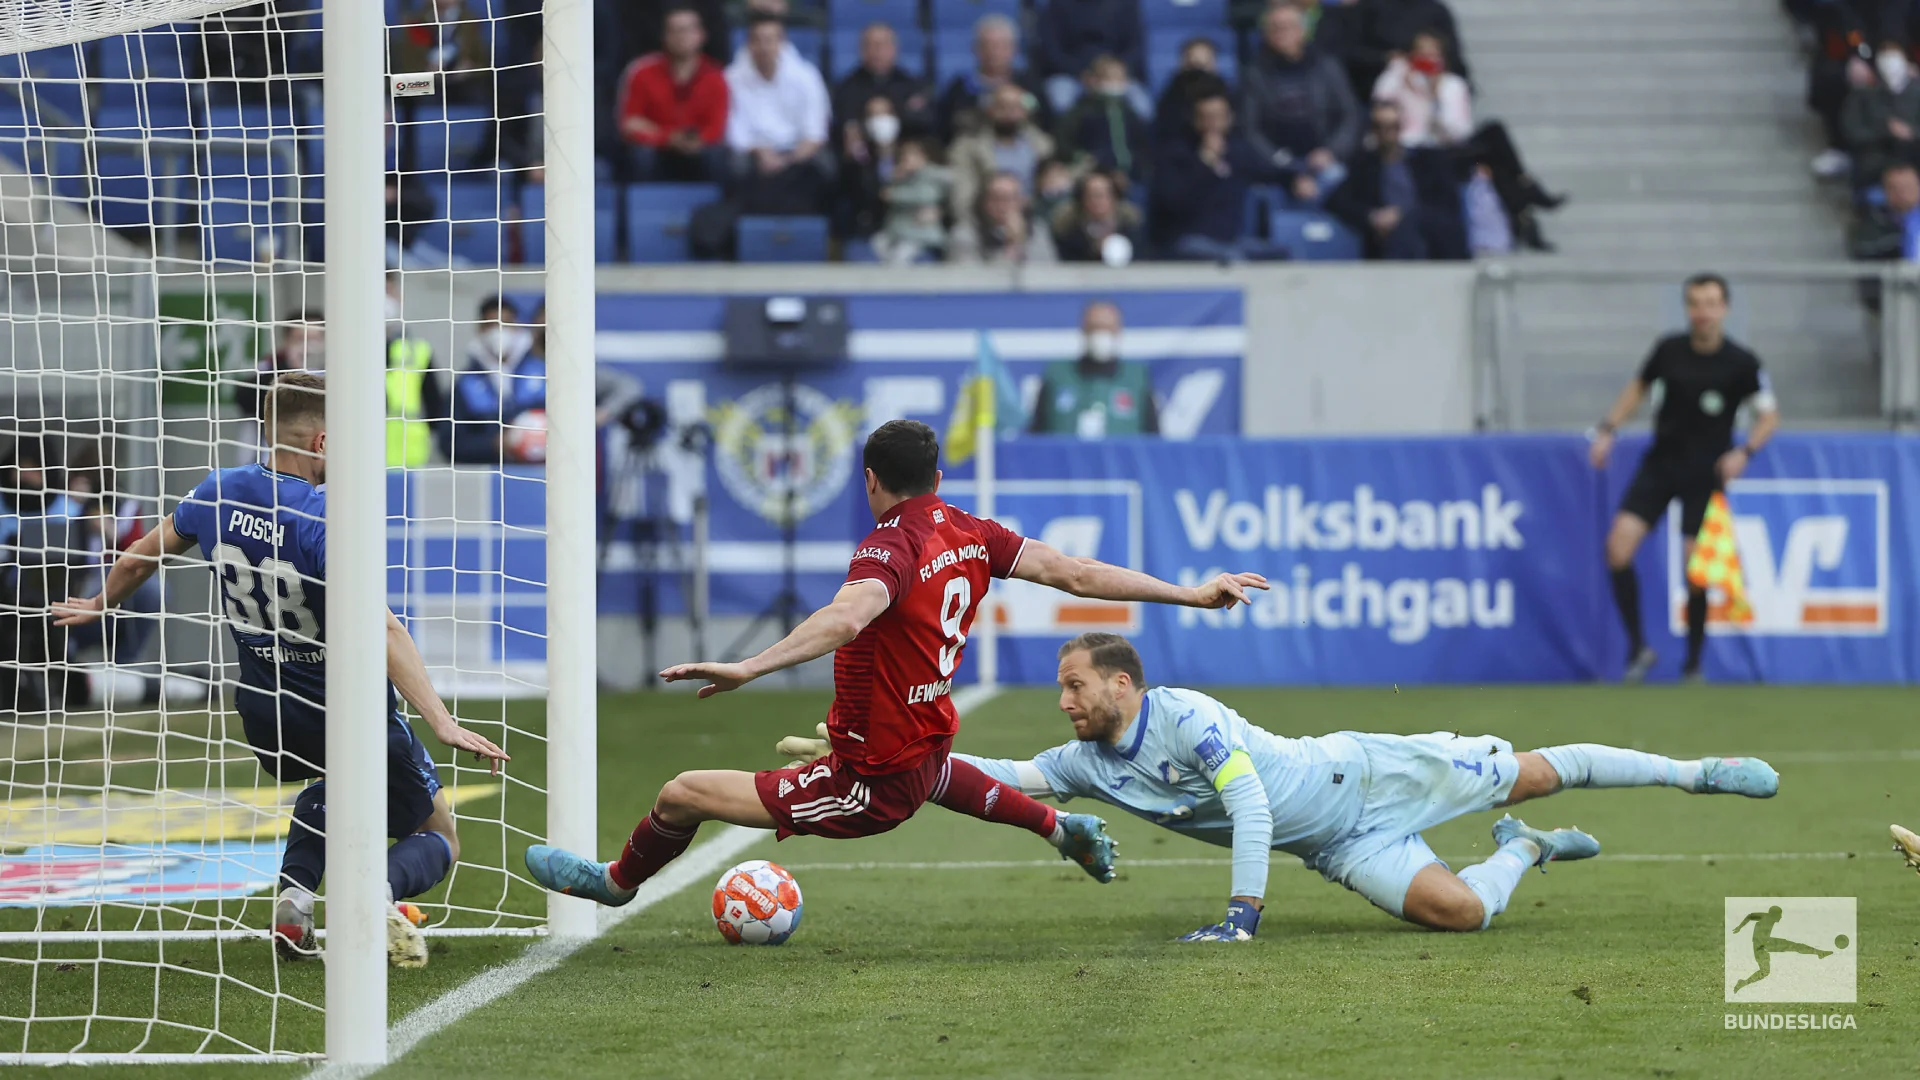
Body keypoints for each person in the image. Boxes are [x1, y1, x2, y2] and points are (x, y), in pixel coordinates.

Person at [520, 420, 1271, 909]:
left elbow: (848, 615)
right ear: (937, 478)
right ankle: (1058, 826)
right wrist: (1191, 594)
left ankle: (618, 885)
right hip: (922, 740)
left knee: (681, 793)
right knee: (938, 774)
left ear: (872, 482)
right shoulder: (971, 531)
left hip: (867, 779)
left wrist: (750, 666)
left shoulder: (890, 544)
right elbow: (1075, 571)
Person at [784, 633, 1778, 940]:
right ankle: (1520, 852)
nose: (1063, 702)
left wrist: (1243, 914)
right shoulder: (1089, 761)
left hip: (1370, 774)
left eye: (1073, 686)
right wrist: (874, 753)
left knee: (1534, 771)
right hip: (1340, 844)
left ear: (1121, 684)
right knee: (1463, 915)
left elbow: (1251, 802)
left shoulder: (1189, 715)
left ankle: (1700, 776)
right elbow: (992, 775)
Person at [52, 373, 510, 968]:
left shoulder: (219, 489)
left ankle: (295, 900)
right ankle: (375, 894)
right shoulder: (324, 518)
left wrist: (99, 603)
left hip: (265, 711)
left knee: (333, 788)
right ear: (321, 443)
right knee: (440, 833)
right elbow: (385, 629)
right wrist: (442, 720)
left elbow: (143, 555)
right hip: (342, 708)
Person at [1587, 274, 1780, 684]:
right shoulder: (1669, 350)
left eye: (1711, 303)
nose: (1703, 312)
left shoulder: (1742, 362)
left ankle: (1693, 664)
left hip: (1705, 473)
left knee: (1697, 569)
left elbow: (1769, 415)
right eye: (1695, 303)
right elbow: (1637, 388)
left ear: (1724, 308)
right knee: (1617, 549)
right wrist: (1607, 429)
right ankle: (1639, 648)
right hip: (1661, 465)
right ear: (1687, 308)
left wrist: (1744, 452)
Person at [1371, 29, 1564, 251]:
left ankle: (1525, 202)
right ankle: (1526, 195)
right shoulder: (1400, 81)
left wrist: (1435, 103)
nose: (1427, 59)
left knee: (1493, 131)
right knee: (1495, 156)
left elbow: (1461, 131)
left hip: (1447, 149)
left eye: (1433, 54)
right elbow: (1380, 102)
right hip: (1412, 151)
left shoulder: (1453, 86)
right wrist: (1399, 71)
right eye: (1421, 53)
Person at [1151, 91, 1295, 262]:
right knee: (1234, 259)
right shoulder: (1177, 155)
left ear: (1230, 119)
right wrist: (1204, 163)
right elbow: (1173, 202)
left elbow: (1270, 172)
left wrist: (1295, 180)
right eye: (1206, 117)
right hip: (1189, 240)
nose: (1213, 124)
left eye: (1219, 117)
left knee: (1281, 255)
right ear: (1195, 120)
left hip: (1233, 241)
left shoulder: (1238, 152)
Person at [1240, 3, 1360, 200]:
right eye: (1274, 28)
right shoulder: (1255, 74)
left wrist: (1331, 152)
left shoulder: (1327, 66)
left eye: (1286, 27)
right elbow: (1250, 129)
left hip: (1325, 156)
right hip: (1278, 162)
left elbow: (1349, 115)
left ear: (1301, 31)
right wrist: (1288, 166)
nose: (1280, 33)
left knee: (1339, 179)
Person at [1324, 98, 1467, 260]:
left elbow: (1447, 201)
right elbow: (1336, 200)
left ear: (1400, 127)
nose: (1387, 134)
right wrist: (1373, 217)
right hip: (1388, 238)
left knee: (1414, 224)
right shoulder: (1365, 165)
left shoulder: (1425, 160)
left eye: (1392, 127)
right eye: (1381, 127)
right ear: (1373, 130)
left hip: (1428, 231)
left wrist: (1403, 215)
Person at [724, 14, 834, 214]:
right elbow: (734, 130)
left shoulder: (806, 75)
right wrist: (759, 152)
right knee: (734, 165)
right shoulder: (731, 78)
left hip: (797, 151)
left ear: (782, 43)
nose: (763, 47)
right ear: (749, 44)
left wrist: (788, 159)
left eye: (770, 40)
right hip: (755, 151)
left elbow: (816, 132)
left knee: (827, 166)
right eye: (757, 40)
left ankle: (816, 228)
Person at [615, 6, 731, 183]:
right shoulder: (642, 73)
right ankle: (643, 206)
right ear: (664, 36)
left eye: (687, 30)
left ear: (701, 35)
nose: (681, 36)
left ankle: (716, 207)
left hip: (699, 152)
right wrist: (669, 138)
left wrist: (693, 141)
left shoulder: (716, 77)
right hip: (658, 150)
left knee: (720, 156)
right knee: (640, 155)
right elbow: (630, 124)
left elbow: (717, 128)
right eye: (674, 30)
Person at [1030, 301, 1157, 435]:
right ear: (1084, 330)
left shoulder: (1137, 379)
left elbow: (1154, 438)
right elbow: (1036, 435)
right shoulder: (1056, 377)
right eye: (1095, 328)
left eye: (1107, 328)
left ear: (1118, 331)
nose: (1101, 334)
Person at [450, 295, 542, 465]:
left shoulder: (544, 373)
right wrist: (493, 444)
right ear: (480, 329)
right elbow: (450, 444)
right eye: (492, 325)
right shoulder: (465, 385)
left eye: (506, 323)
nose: (500, 332)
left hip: (541, 477)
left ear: (517, 326)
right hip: (488, 479)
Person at [932, 14, 1051, 142]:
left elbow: (1043, 118)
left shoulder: (1028, 83)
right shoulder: (960, 87)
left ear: (1014, 49)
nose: (994, 52)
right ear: (975, 49)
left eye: (1001, 46)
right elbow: (945, 127)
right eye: (987, 45)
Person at [948, 83, 1055, 220]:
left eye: (1015, 107)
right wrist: (972, 225)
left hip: (1034, 216)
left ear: (1025, 112)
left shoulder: (1043, 145)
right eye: (1002, 107)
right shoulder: (967, 147)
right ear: (990, 110)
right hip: (985, 220)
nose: (1009, 113)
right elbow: (962, 191)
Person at [1035, 0, 1149, 119]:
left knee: (1142, 107)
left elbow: (1136, 47)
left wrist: (1116, 71)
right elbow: (1051, 51)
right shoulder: (1058, 5)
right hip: (1072, 75)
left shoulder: (1126, 4)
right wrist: (1083, 73)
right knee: (1061, 101)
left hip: (1116, 75)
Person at [1053, 55, 1152, 182]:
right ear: (1094, 80)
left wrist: (1140, 167)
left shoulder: (1130, 112)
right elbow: (1063, 142)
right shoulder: (1081, 111)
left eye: (1120, 78)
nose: (1116, 83)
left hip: (1132, 177)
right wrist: (1083, 158)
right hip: (1094, 177)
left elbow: (1142, 145)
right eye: (1110, 78)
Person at [1842, 41, 1920, 189]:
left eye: (1895, 61)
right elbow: (1852, 131)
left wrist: (1911, 133)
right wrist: (1886, 131)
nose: (1891, 67)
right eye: (1885, 61)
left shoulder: (1917, 93)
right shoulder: (1862, 95)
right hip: (1876, 158)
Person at [390, 0, 493, 105]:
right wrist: (427, 72)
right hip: (424, 80)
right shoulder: (414, 21)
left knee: (479, 90)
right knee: (403, 87)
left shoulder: (472, 21)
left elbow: (484, 63)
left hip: (463, 81)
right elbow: (403, 64)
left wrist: (469, 68)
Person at [947, 171, 1059, 265]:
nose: (1003, 205)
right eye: (996, 198)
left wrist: (1020, 242)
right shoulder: (964, 234)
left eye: (1010, 198)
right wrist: (1011, 245)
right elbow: (970, 280)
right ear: (984, 202)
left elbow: (1047, 271)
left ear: (1021, 202)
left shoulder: (1038, 230)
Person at [874, 139, 953, 264]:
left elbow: (925, 195)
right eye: (903, 155)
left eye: (911, 155)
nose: (906, 159)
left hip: (921, 234)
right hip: (897, 232)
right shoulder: (898, 177)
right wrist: (895, 180)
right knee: (877, 245)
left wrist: (942, 211)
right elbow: (884, 195)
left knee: (900, 257)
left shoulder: (933, 175)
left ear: (922, 157)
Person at [1151, 36, 1232, 156]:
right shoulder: (1170, 99)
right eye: (1193, 66)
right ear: (1182, 64)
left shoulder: (1226, 93)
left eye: (1204, 66)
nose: (1198, 73)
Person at [1051, 169, 1144, 264]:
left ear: (1114, 197)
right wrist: (1094, 251)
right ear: (1082, 199)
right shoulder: (1069, 231)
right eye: (1092, 195)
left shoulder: (1131, 227)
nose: (1097, 201)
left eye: (1102, 195)